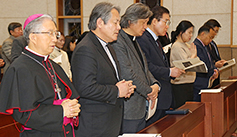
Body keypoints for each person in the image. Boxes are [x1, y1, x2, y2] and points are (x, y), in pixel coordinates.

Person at [0, 14, 80, 137]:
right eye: (50, 33)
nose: (54, 39)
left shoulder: (53, 65)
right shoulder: (19, 69)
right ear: (33, 37)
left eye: (56, 34)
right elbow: (22, 114)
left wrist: (72, 107)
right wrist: (61, 110)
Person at [71, 2, 136, 137]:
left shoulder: (108, 46)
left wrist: (124, 88)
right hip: (95, 126)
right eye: (115, 22)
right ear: (100, 23)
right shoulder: (86, 48)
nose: (119, 27)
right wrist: (117, 91)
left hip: (109, 122)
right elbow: (85, 87)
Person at [111, 3, 160, 133]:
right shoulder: (118, 41)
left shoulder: (134, 40)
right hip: (129, 108)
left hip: (141, 107)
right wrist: (149, 91)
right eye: (143, 23)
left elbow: (145, 69)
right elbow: (127, 74)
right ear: (130, 21)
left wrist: (155, 85)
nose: (145, 27)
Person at [136, 6, 184, 126]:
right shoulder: (143, 38)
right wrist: (169, 72)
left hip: (164, 97)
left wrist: (172, 72)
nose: (167, 26)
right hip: (154, 97)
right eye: (165, 21)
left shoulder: (156, 40)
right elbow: (146, 66)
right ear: (154, 21)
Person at [170, 20, 197, 108]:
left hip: (189, 83)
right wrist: (193, 55)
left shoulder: (187, 45)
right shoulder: (177, 46)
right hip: (180, 85)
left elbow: (196, 62)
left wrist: (193, 57)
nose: (191, 35)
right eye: (189, 32)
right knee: (182, 111)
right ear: (181, 32)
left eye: (192, 33)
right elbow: (186, 65)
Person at [193, 25, 219, 101]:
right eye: (210, 37)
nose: (211, 40)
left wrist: (215, 69)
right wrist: (213, 72)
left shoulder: (205, 45)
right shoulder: (197, 46)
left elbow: (210, 61)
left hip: (205, 82)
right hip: (199, 83)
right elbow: (202, 65)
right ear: (203, 34)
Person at [204, 19, 226, 87]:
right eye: (215, 31)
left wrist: (220, 63)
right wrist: (215, 65)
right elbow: (204, 61)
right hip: (208, 78)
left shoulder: (213, 43)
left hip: (216, 75)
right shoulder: (203, 44)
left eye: (217, 32)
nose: (215, 34)